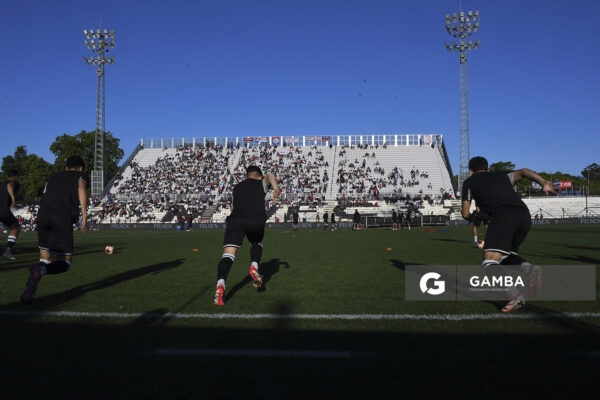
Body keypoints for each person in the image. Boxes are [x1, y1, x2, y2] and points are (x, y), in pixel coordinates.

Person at [461, 156, 556, 312]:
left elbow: (465, 213)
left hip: (502, 217)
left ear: (470, 171)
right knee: (504, 256)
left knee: (489, 264)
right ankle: (529, 269)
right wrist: (544, 183)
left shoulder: (469, 183)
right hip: (523, 215)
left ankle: (515, 295)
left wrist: (475, 217)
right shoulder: (501, 175)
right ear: (488, 168)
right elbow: (524, 171)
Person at [21, 156, 88, 304]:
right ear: (81, 168)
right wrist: (84, 214)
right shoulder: (80, 175)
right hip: (61, 216)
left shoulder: (53, 176)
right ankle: (41, 271)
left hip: (43, 215)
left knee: (44, 259)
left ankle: (28, 291)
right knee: (65, 262)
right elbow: (81, 187)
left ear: (66, 167)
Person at [214, 166, 281, 306]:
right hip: (254, 219)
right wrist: (275, 189)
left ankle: (220, 285)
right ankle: (254, 266)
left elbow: (232, 207)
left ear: (247, 176)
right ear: (258, 176)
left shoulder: (237, 188)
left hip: (235, 220)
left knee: (227, 256)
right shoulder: (260, 182)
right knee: (256, 243)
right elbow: (270, 175)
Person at [1, 169, 20, 260]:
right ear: (16, 176)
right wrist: (13, 198)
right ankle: (8, 251)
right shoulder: (14, 182)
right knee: (16, 227)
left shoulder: (1, 184)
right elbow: (10, 185)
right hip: (3, 210)